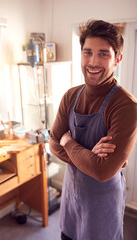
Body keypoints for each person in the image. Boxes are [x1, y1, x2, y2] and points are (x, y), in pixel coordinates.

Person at [49, 19, 137, 240]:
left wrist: (68, 143)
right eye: (87, 52)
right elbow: (52, 143)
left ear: (118, 58)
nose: (93, 62)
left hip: (103, 204)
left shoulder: (125, 105)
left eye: (103, 54)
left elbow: (103, 172)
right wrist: (91, 158)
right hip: (72, 195)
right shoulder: (70, 96)